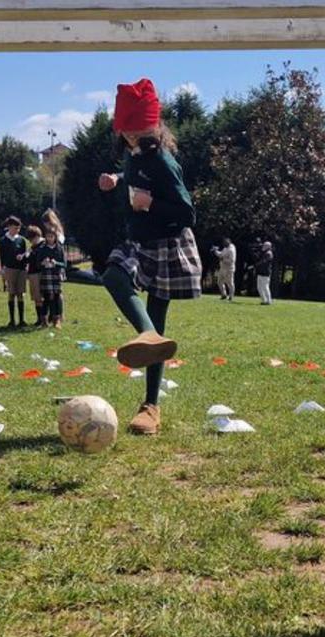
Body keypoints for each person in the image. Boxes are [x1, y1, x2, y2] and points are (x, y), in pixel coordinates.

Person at [97, 77, 201, 436]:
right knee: (112, 276)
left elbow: (187, 213)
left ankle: (151, 406)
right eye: (125, 131)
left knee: (158, 314)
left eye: (136, 129)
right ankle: (148, 335)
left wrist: (151, 203)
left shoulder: (165, 162)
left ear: (154, 125)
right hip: (139, 240)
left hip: (167, 242)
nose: (129, 137)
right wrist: (118, 178)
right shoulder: (135, 154)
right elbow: (137, 171)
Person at [0, 216, 29, 327]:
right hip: (10, 269)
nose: (17, 230)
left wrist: (24, 259)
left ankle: (21, 320)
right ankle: (12, 320)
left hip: (21, 270)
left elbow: (25, 254)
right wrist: (3, 269)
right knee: (11, 294)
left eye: (19, 228)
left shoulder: (21, 240)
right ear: (9, 227)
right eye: (15, 228)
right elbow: (2, 256)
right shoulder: (3, 240)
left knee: (20, 294)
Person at [35, 225, 67, 328]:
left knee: (57, 297)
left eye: (52, 236)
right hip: (46, 275)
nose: (50, 239)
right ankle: (44, 320)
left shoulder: (59, 249)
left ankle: (56, 320)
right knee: (46, 298)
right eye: (48, 236)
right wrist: (43, 263)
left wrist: (56, 263)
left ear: (55, 237)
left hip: (56, 275)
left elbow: (64, 264)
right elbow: (37, 264)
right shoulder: (42, 249)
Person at [256, 240, 275, 305]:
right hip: (260, 272)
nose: (263, 246)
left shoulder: (269, 253)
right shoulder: (263, 253)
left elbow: (265, 261)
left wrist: (258, 264)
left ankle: (269, 300)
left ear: (268, 247)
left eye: (265, 245)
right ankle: (264, 300)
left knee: (265, 287)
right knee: (259, 287)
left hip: (265, 273)